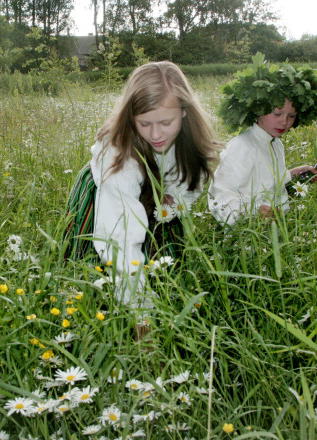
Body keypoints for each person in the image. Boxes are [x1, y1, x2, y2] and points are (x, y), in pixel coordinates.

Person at [64, 61, 220, 311]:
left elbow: (192, 181)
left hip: (158, 202)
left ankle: (160, 298)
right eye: (144, 124)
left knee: (164, 274)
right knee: (93, 276)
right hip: (106, 201)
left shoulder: (191, 138)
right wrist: (140, 311)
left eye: (165, 123)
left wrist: (174, 199)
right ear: (130, 117)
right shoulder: (118, 154)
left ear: (184, 111)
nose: (156, 134)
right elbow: (118, 237)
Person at [208, 54, 317, 225]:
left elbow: (268, 183)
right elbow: (220, 194)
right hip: (247, 235)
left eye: (291, 116)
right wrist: (254, 211)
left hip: (276, 229)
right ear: (259, 109)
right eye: (277, 113)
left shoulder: (276, 144)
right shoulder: (242, 146)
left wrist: (294, 174)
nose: (284, 121)